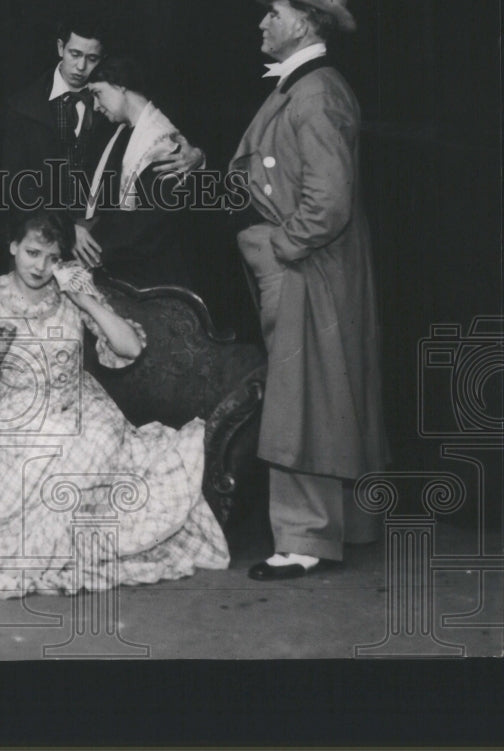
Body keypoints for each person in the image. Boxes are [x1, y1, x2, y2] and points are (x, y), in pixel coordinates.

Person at [0, 212, 230, 597]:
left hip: (77, 405)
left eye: (51, 257)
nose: (40, 267)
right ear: (13, 247)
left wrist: (85, 299)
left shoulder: (70, 290)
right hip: (11, 414)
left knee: (95, 437)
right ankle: (30, 547)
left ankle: (54, 542)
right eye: (32, 252)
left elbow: (130, 348)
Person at [228, 0, 388, 580]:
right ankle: (344, 527)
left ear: (306, 22)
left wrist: (281, 246)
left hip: (309, 267)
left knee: (303, 404)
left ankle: (303, 540)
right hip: (318, 267)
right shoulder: (306, 86)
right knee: (327, 395)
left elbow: (329, 203)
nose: (262, 23)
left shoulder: (315, 92)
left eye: (274, 12)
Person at [82, 55, 207, 287]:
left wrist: (90, 250)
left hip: (154, 276)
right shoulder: (121, 133)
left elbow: (148, 228)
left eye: (98, 94)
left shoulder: (165, 143)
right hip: (126, 263)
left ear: (120, 86)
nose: (96, 106)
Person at [2, 14, 115, 269]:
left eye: (92, 58)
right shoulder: (22, 106)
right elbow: (18, 188)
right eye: (75, 54)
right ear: (60, 48)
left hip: (97, 250)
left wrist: (190, 150)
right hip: (39, 244)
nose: (81, 67)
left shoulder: (114, 104)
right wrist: (66, 228)